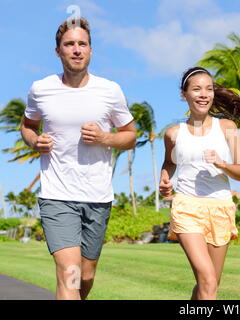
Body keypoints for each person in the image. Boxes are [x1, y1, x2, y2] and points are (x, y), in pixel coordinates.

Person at [20, 17, 136, 300]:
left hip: (97, 195)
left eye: (82, 44)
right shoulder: (41, 89)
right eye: (69, 44)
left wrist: (104, 138)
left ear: (91, 50)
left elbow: (130, 136)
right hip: (57, 194)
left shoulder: (109, 91)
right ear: (58, 50)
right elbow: (27, 126)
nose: (76, 49)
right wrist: (36, 141)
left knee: (85, 276)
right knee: (70, 272)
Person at [159, 66, 240, 300]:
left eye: (209, 89)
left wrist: (221, 164)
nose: (204, 94)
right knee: (207, 279)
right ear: (185, 95)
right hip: (187, 207)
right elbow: (169, 163)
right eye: (197, 89)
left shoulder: (228, 128)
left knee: (210, 285)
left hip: (220, 208)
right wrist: (164, 179)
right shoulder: (173, 133)